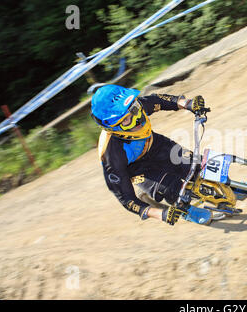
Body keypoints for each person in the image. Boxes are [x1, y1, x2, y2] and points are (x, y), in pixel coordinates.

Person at [90, 84, 218, 226]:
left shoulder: (134, 107)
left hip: (154, 145)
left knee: (197, 165)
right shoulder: (110, 154)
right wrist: (160, 214)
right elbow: (126, 198)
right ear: (113, 127)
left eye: (135, 109)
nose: (137, 118)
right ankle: (186, 210)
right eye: (127, 120)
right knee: (171, 188)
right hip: (137, 169)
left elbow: (158, 100)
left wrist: (188, 104)